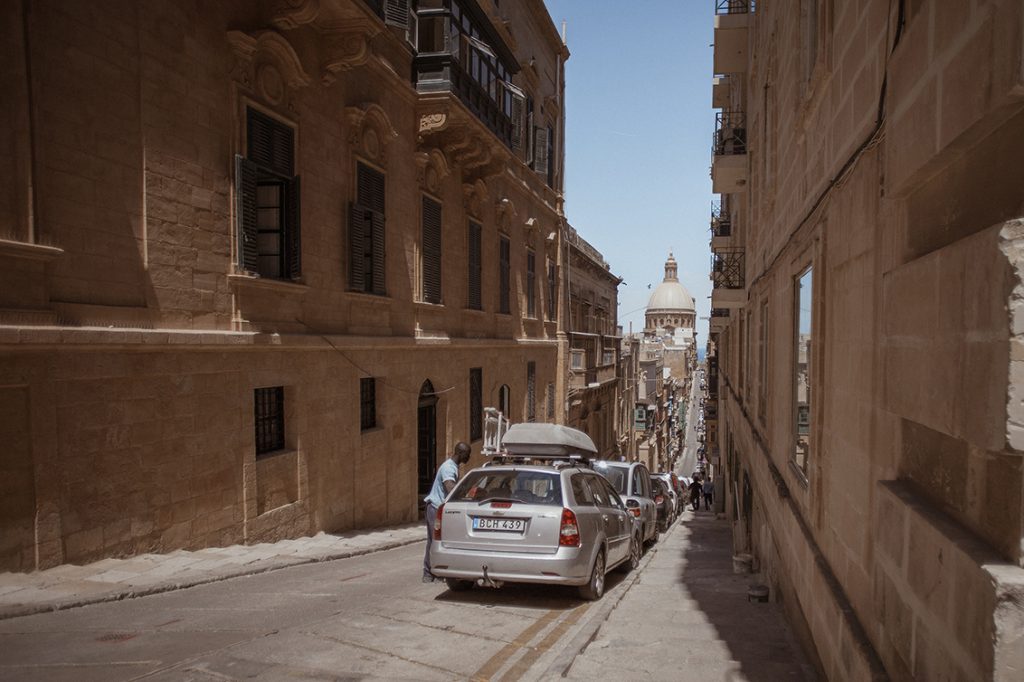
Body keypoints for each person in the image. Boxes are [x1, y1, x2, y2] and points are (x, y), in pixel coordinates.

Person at [423, 441, 471, 582]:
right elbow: (450, 487)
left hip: (439, 509)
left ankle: (431, 573)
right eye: (468, 454)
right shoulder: (449, 468)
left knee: (434, 541)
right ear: (461, 453)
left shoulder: (452, 466)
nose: (469, 457)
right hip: (435, 508)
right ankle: (429, 573)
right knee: (435, 541)